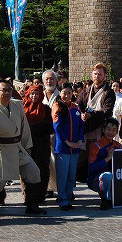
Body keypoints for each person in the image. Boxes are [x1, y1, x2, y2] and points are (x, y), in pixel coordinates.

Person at [0, 80, 45, 217]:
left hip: (17, 146)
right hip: (0, 148)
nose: (7, 92)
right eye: (4, 90)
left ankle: (31, 205)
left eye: (9, 89)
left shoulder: (17, 104)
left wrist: (27, 145)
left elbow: (24, 126)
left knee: (34, 172)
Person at [76, 63, 116, 181]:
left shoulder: (108, 92)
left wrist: (91, 115)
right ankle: (83, 177)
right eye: (95, 74)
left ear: (104, 76)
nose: (97, 76)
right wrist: (82, 114)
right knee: (83, 156)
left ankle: (97, 179)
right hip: (85, 128)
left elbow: (107, 111)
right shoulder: (86, 90)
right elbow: (78, 105)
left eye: (100, 74)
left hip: (99, 128)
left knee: (97, 155)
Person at [52, 83, 84, 211]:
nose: (66, 95)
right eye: (64, 92)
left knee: (71, 174)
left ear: (72, 94)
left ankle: (68, 195)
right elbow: (57, 127)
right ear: (60, 93)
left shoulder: (75, 107)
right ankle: (62, 198)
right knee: (62, 175)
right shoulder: (57, 106)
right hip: (63, 147)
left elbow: (81, 125)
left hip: (75, 146)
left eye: (69, 93)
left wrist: (80, 139)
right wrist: (66, 142)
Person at [23, 84, 50, 203]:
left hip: (42, 144)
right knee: (26, 171)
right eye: (32, 93)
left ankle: (40, 195)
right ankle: (28, 196)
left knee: (42, 170)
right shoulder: (24, 108)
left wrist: (34, 127)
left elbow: (50, 127)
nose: (34, 96)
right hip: (27, 144)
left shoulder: (46, 109)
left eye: (37, 93)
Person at [88, 117, 121, 210]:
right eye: (108, 129)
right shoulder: (95, 145)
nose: (111, 132)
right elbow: (92, 168)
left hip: (113, 179)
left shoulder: (118, 145)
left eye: (114, 130)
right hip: (95, 180)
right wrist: (108, 158)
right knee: (107, 176)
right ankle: (105, 200)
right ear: (103, 129)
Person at [42, 69, 59, 198]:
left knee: (58, 162)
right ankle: (48, 187)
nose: (49, 81)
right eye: (47, 79)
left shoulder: (61, 95)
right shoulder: (38, 95)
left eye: (52, 78)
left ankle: (63, 188)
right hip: (43, 135)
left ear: (56, 80)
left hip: (58, 134)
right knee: (46, 162)